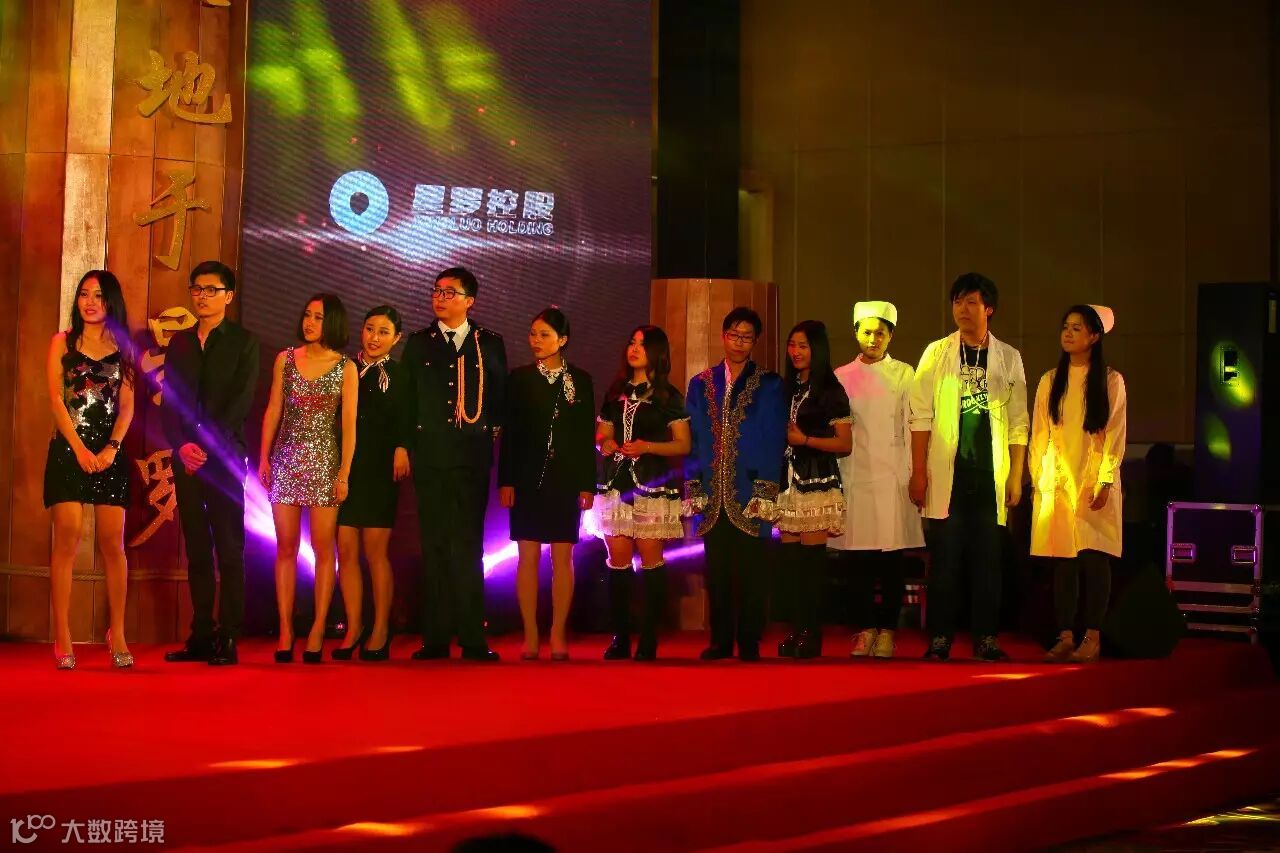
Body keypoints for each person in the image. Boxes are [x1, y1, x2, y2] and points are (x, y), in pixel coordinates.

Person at [910, 273, 1028, 662]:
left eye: (971, 302)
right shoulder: (936, 353)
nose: (962, 309)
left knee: (988, 562)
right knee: (945, 561)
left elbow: (1018, 422)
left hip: (990, 474)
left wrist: (1016, 476)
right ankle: (940, 638)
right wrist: (919, 472)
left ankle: (986, 638)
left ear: (988, 309)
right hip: (948, 474)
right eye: (958, 302)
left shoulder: (1008, 357)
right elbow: (920, 416)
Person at [403, 267, 508, 662]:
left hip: (471, 459)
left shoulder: (489, 343)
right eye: (437, 291)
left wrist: (490, 435)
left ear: (469, 301)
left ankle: (472, 638)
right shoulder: (419, 343)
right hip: (431, 458)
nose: (440, 298)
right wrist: (405, 446)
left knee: (468, 545)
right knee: (434, 545)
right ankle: (435, 638)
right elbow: (408, 399)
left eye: (450, 292)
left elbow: (499, 399)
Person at [162, 260, 260, 667]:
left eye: (211, 290)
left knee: (229, 548)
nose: (202, 296)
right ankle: (201, 634)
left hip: (223, 458)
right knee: (198, 549)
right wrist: (181, 445)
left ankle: (229, 635)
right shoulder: (180, 343)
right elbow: (170, 400)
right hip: (186, 458)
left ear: (228, 296)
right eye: (196, 289)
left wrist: (202, 446)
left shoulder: (243, 342)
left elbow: (240, 403)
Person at [259, 293, 358, 663]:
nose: (310, 322)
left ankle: (318, 628)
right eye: (307, 315)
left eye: (318, 317)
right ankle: (286, 630)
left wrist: (344, 473)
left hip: (325, 462)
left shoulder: (345, 367)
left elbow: (349, 426)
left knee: (323, 549)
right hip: (286, 459)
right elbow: (273, 409)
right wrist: (265, 456)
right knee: (285, 548)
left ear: (332, 322)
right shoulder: (285, 359)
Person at [44, 271, 135, 670]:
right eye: (84, 294)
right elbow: (56, 400)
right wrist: (79, 449)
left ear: (111, 301)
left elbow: (127, 406)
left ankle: (119, 632)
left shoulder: (124, 348)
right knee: (67, 537)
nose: (90, 302)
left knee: (113, 543)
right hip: (69, 449)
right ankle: (63, 635)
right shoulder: (62, 342)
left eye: (98, 295)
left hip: (110, 453)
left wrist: (112, 448)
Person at [684, 306, 787, 661]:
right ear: (723, 336)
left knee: (753, 571)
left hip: (751, 489)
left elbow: (773, 438)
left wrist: (765, 490)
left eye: (747, 337)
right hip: (713, 491)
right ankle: (720, 640)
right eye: (734, 335)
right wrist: (694, 485)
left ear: (755, 342)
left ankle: (749, 639)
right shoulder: (700, 384)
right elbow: (693, 439)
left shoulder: (770, 384)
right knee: (718, 571)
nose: (739, 342)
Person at [498, 308, 596, 660]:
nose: (535, 341)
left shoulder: (580, 380)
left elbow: (585, 436)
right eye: (533, 334)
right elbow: (510, 433)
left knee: (562, 556)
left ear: (562, 340)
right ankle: (530, 633)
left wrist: (587, 484)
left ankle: (557, 633)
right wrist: (507, 479)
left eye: (544, 335)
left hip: (565, 479)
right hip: (526, 478)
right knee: (527, 557)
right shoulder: (519, 378)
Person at [1030, 305, 1126, 663]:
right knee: (1063, 560)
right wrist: (1038, 478)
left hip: (1091, 476)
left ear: (1094, 336)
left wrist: (1105, 478)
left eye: (1077, 328)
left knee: (1093, 556)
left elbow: (1114, 433)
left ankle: (1093, 635)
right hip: (1057, 478)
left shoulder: (1110, 381)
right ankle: (1065, 634)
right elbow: (1040, 433)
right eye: (1065, 327)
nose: (1068, 334)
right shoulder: (1050, 380)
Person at [830, 301, 924, 659]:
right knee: (857, 560)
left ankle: (888, 631)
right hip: (854, 473)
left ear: (890, 336)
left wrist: (916, 473)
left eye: (880, 333)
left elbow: (914, 424)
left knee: (892, 559)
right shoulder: (841, 376)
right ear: (856, 333)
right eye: (867, 332)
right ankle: (864, 629)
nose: (873, 339)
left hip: (892, 476)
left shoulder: (904, 374)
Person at [593, 325, 690, 661]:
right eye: (632, 342)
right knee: (617, 563)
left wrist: (647, 446)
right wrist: (605, 443)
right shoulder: (615, 391)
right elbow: (601, 434)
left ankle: (649, 638)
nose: (634, 349)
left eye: (642, 345)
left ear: (657, 353)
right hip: (616, 485)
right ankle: (620, 637)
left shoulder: (668, 396)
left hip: (652, 486)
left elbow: (683, 444)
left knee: (651, 562)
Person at [333, 306, 413, 662]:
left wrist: (403, 446)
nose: (374, 337)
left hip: (381, 468)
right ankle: (354, 627)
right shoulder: (344, 368)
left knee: (375, 551)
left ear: (396, 338)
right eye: (369, 329)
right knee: (346, 550)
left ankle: (381, 627)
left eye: (383, 332)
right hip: (344, 468)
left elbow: (409, 416)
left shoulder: (401, 374)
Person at [776, 320, 851, 659]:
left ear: (817, 349)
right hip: (788, 483)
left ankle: (812, 632)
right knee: (791, 567)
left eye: (803, 345)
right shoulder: (787, 389)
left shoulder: (830, 390)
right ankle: (796, 630)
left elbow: (844, 444)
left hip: (817, 481)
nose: (795, 352)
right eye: (792, 345)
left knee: (811, 565)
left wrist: (804, 440)